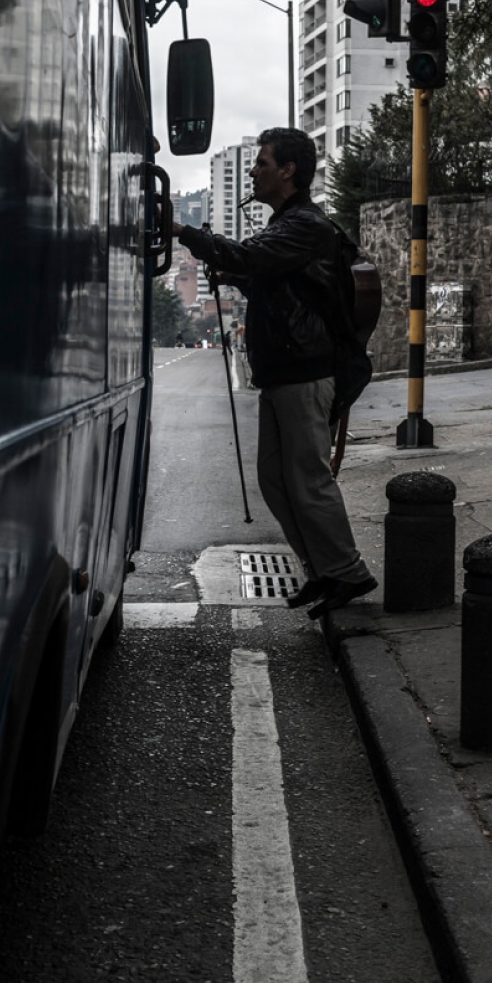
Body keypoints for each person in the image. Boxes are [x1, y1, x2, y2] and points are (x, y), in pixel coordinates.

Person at [172, 127, 376, 619]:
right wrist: (239, 274)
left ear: (288, 171)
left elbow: (255, 257)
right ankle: (322, 571)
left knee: (307, 478)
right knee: (275, 479)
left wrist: (184, 232)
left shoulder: (306, 224)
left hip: (306, 371)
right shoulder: (289, 223)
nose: (253, 171)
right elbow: (274, 276)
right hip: (283, 372)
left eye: (262, 163)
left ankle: (347, 571)